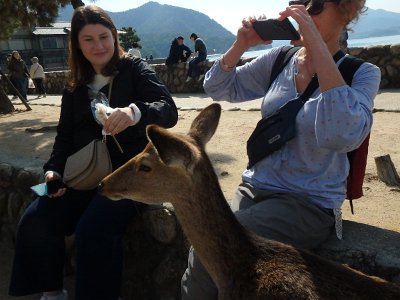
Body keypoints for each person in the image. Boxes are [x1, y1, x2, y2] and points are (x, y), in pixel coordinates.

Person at [181, 0, 381, 299]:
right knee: (210, 254)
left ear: (346, 11)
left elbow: (343, 134)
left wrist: (318, 46)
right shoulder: (281, 58)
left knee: (217, 244)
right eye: (299, 3)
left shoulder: (362, 73)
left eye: (315, 6)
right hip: (253, 189)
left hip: (307, 202)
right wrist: (241, 43)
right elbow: (220, 88)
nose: (303, 12)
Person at [9, 5, 178, 300]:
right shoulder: (74, 88)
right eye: (88, 39)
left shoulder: (136, 70)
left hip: (130, 178)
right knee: (35, 216)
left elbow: (169, 111)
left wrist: (134, 112)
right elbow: (63, 138)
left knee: (93, 229)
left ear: (114, 36)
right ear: (77, 44)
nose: (98, 45)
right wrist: (53, 171)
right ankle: (53, 293)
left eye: (104, 36)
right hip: (82, 176)